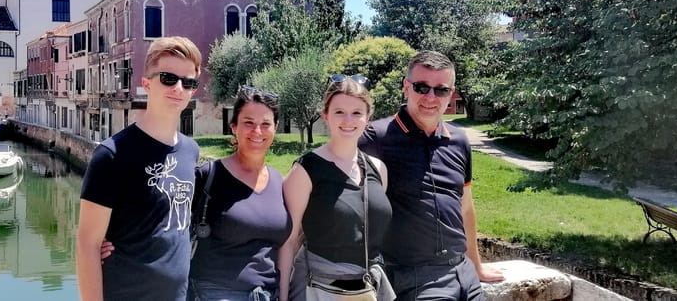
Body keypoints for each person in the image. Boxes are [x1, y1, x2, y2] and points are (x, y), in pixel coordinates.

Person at [358, 51, 505, 301]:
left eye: (441, 90)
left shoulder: (458, 140)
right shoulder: (376, 138)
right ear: (406, 87)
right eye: (421, 87)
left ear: (451, 93)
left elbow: (466, 208)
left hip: (463, 273)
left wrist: (476, 266)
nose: (430, 97)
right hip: (414, 277)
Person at [76, 36, 203, 301]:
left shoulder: (191, 152)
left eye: (188, 82)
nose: (178, 88)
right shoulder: (112, 156)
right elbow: (87, 246)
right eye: (168, 78)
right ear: (146, 84)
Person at [279, 75, 394, 301]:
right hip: (320, 288)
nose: (348, 120)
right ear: (326, 116)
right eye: (339, 112)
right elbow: (290, 241)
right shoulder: (305, 170)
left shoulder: (378, 169)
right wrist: (282, 296)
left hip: (367, 287)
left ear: (368, 117)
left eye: (357, 113)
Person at [188, 86, 291, 301]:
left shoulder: (279, 181)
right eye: (248, 123)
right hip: (215, 293)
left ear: (276, 128)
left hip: (267, 294)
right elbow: (164, 219)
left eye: (265, 124)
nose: (257, 132)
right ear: (234, 126)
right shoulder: (209, 176)